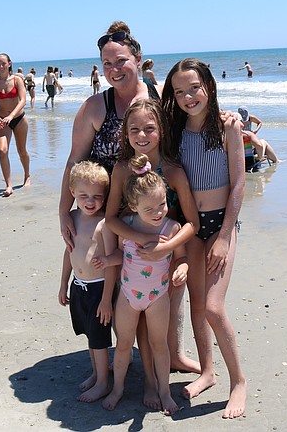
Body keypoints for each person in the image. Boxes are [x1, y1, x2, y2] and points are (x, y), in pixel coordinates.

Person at [161, 58, 247, 419]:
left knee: (213, 306)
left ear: (208, 85)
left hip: (221, 226)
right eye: (179, 91)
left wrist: (226, 234)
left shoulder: (227, 127)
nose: (187, 96)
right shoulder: (176, 132)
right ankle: (208, 373)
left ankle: (238, 381)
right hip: (192, 227)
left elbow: (239, 183)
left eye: (194, 88)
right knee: (197, 305)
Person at [101, 99, 201, 383]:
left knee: (160, 323)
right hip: (134, 257)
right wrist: (144, 240)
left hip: (168, 257)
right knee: (139, 326)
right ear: (125, 133)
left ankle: (166, 372)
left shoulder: (174, 171)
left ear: (162, 131)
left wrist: (166, 248)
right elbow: (111, 219)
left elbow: (192, 222)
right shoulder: (121, 169)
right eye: (134, 129)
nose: (141, 136)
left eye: (149, 129)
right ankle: (148, 383)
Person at [59, 21, 163, 250]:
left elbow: (196, 115)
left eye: (121, 61)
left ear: (138, 59)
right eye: (107, 64)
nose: (114, 69)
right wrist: (63, 212)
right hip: (105, 218)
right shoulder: (94, 107)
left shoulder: (161, 97)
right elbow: (74, 161)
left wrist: (226, 119)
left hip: (155, 214)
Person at [101, 155, 188, 415]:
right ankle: (118, 388)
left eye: (161, 205)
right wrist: (106, 260)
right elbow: (120, 256)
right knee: (124, 343)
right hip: (128, 295)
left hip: (158, 296)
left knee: (159, 344)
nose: (158, 212)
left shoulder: (172, 228)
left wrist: (183, 267)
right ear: (133, 205)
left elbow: (181, 256)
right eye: (149, 209)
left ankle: (164, 390)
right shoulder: (126, 226)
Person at [58, 161, 116, 403]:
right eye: (83, 196)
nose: (90, 201)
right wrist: (63, 284)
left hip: (99, 288)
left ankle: (103, 382)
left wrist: (106, 300)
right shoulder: (71, 218)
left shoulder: (104, 224)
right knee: (90, 335)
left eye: (96, 196)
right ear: (73, 193)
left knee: (100, 339)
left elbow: (113, 263)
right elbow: (68, 251)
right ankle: (96, 374)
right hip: (78, 285)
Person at [0, 53, 31, 197]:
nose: (0, 67)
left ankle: (27, 175)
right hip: (1, 121)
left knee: (21, 151)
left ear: (9, 64)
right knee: (2, 150)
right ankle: (8, 185)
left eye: (3, 64)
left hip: (18, 119)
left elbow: (23, 100)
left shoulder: (17, 80)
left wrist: (11, 116)